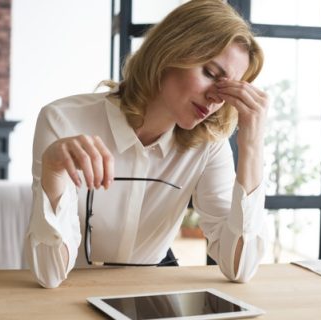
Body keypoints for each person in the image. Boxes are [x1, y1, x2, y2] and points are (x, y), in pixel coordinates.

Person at [25, 0, 269, 289]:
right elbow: (49, 274)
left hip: (153, 295)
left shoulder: (208, 145)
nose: (216, 98)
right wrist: (53, 172)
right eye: (210, 73)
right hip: (70, 295)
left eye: (229, 88)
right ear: (170, 52)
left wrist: (252, 144)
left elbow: (239, 267)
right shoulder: (62, 121)